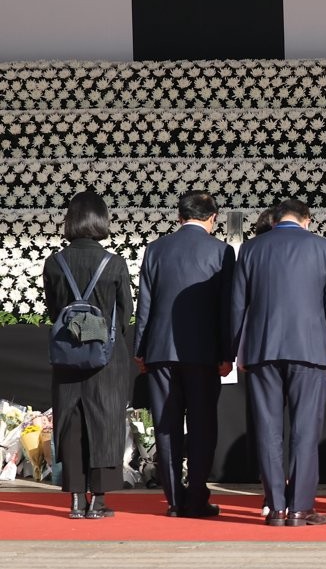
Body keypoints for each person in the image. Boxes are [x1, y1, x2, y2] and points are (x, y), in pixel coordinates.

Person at [230, 198, 326, 527]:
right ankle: (300, 507)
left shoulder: (251, 249)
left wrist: (235, 350)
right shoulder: (323, 248)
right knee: (305, 430)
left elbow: (237, 304)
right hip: (310, 349)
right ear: (306, 220)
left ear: (276, 218)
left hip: (262, 348)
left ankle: (276, 506)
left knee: (268, 429)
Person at [133, 190, 235, 518]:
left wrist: (140, 348)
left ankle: (174, 498)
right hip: (204, 352)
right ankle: (197, 497)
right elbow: (226, 308)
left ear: (179, 217)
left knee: (167, 425)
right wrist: (227, 351)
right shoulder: (221, 252)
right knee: (203, 424)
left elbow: (145, 303)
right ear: (213, 218)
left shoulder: (156, 249)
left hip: (160, 350)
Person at [42, 191, 134, 520]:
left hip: (67, 352)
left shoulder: (54, 263)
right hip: (106, 356)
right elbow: (125, 313)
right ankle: (99, 500)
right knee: (105, 421)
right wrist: (103, 338)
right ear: (101, 220)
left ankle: (76, 499)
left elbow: (55, 309)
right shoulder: (114, 263)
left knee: (72, 421)